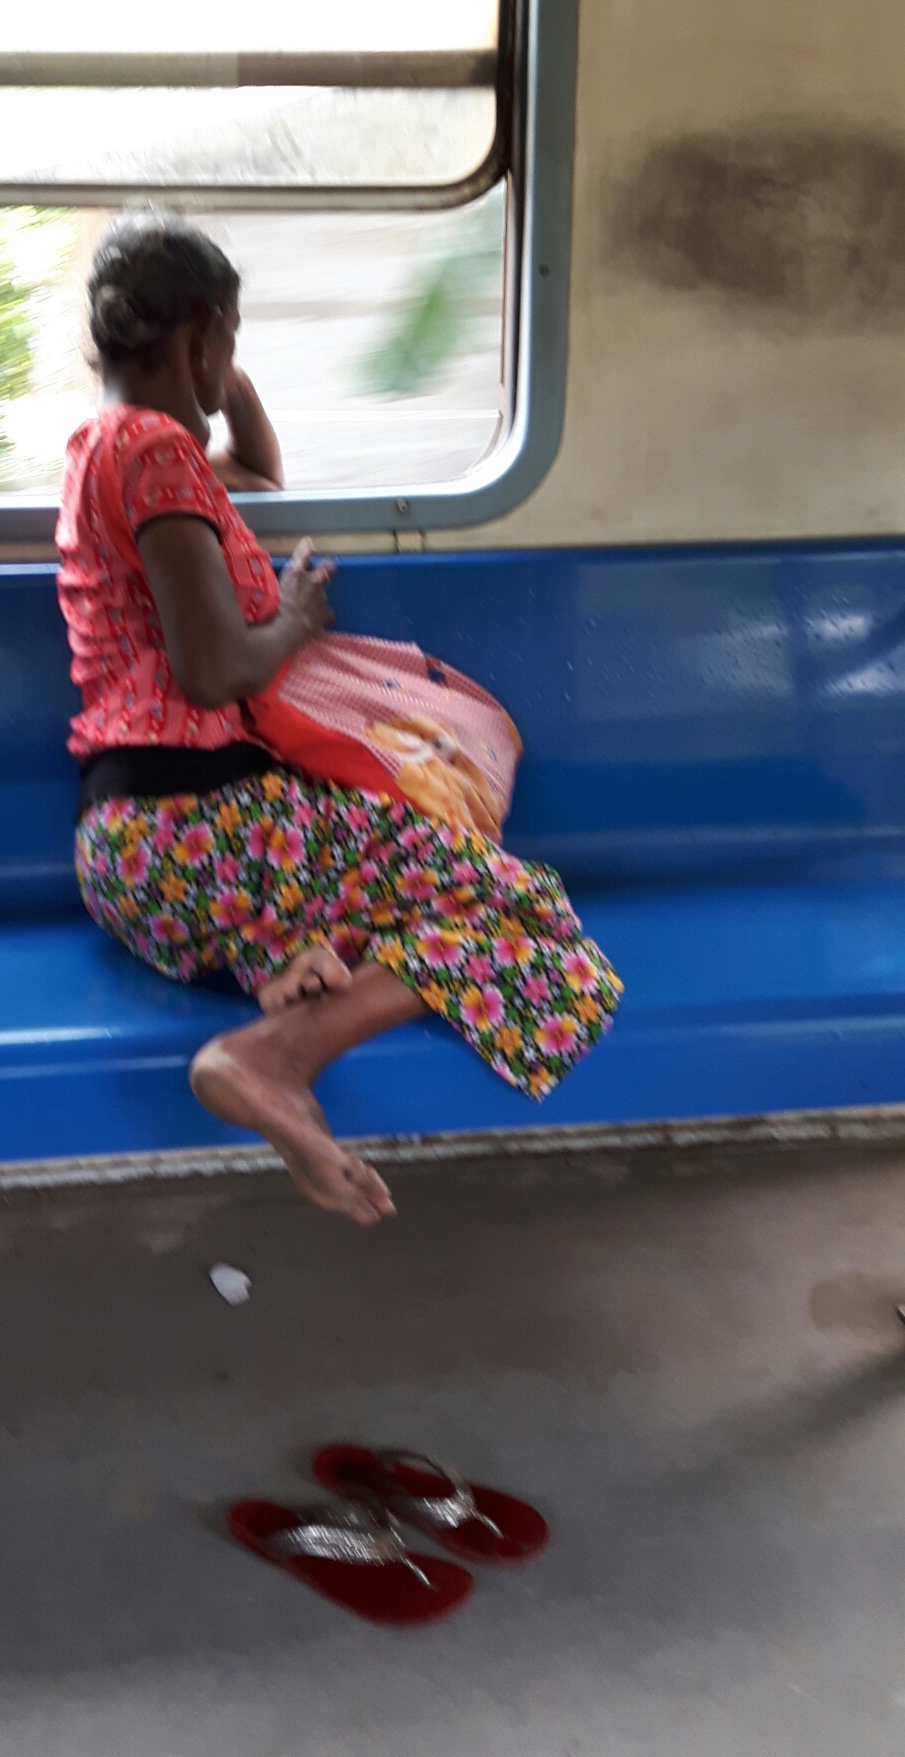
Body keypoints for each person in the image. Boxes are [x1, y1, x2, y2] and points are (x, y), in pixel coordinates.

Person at [57, 210, 623, 1226]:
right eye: (227, 340)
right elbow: (212, 672)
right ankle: (272, 1057)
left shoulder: (105, 448)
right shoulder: (156, 451)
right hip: (203, 834)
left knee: (403, 907)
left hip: (143, 862)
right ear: (198, 338)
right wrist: (293, 621)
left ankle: (296, 978)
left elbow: (260, 475)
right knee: (528, 914)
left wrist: (221, 375)